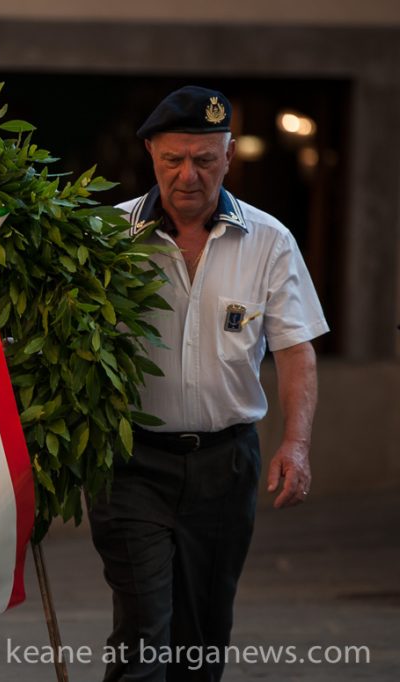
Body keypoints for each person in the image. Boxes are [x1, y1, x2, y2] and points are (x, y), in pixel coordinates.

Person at [88, 86, 329, 681]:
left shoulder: (269, 240)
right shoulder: (105, 237)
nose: (188, 175)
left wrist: (295, 444)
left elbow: (297, 349)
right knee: (144, 631)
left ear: (227, 157)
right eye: (174, 160)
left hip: (226, 466)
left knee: (203, 636)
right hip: (130, 464)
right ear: (150, 154)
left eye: (204, 159)